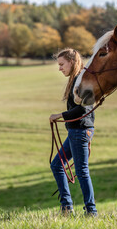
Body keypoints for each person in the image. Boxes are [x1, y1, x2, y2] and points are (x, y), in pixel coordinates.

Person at [49, 48, 97, 217]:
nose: (60, 68)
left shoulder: (83, 80)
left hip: (80, 131)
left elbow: (84, 110)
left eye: (62, 64)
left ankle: (90, 211)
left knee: (82, 171)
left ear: (72, 62)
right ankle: (67, 207)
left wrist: (59, 115)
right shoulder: (78, 80)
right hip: (77, 131)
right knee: (57, 165)